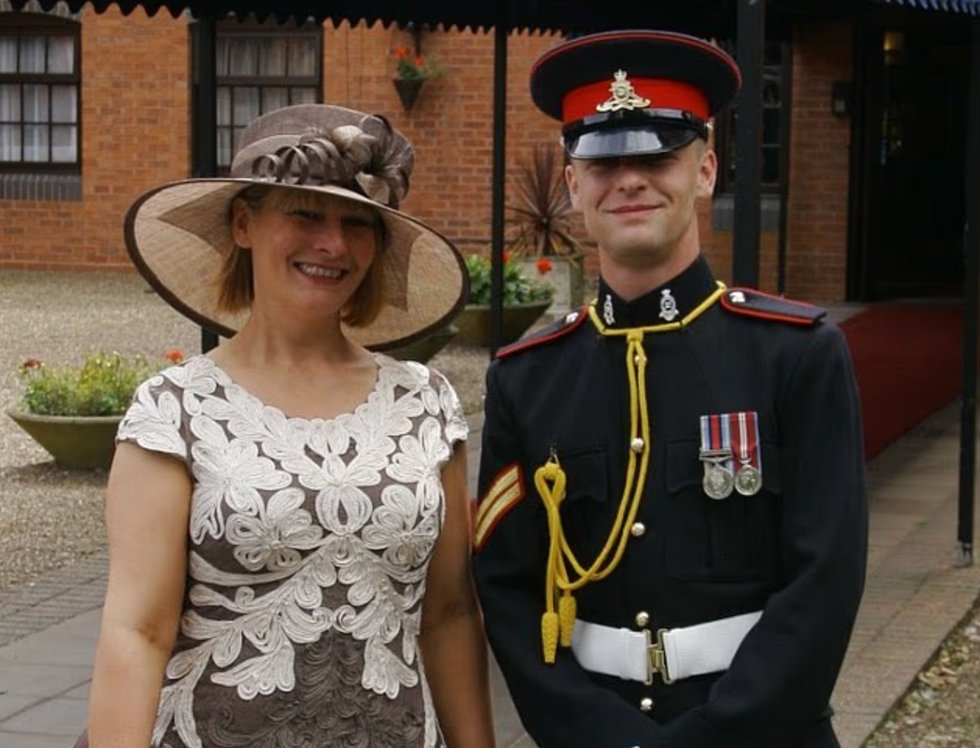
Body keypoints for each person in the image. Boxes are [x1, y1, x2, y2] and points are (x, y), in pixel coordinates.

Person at [472, 30, 868, 748]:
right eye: (603, 161)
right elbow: (505, 586)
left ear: (705, 171)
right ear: (573, 187)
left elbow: (826, 581)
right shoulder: (525, 379)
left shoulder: (796, 356)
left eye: (657, 157)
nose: (629, 181)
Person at [81, 104, 495, 748]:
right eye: (305, 215)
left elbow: (449, 615)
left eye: (357, 223)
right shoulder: (176, 411)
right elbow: (138, 632)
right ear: (243, 223)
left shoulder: (427, 403)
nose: (333, 245)